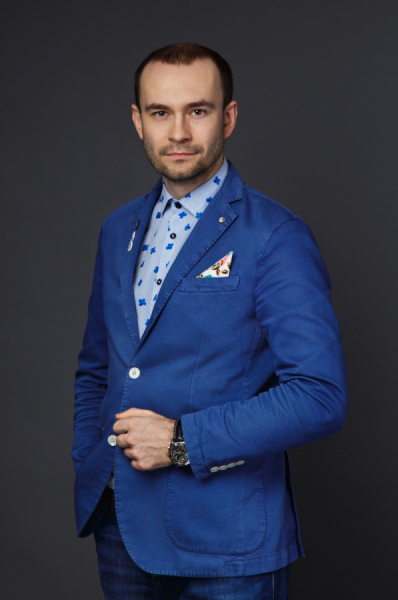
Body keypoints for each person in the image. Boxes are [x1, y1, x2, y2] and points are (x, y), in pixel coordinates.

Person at [72, 42, 348, 600]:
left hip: (228, 549)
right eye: (160, 112)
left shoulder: (276, 236)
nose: (178, 132)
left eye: (197, 110)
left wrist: (180, 442)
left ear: (228, 117)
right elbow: (98, 371)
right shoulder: (117, 228)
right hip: (120, 529)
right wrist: (90, 462)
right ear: (138, 122)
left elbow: (320, 396)